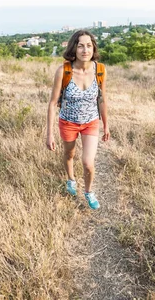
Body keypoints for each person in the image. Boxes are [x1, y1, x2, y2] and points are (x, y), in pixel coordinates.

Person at [46, 30, 110, 210]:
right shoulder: (64, 71)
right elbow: (52, 104)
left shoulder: (100, 70)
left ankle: (89, 192)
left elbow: (102, 99)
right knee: (69, 154)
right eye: (81, 45)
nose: (85, 50)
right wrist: (49, 134)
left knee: (88, 163)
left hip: (91, 122)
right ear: (74, 47)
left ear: (93, 48)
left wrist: (106, 125)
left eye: (89, 45)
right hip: (68, 122)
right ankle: (71, 179)